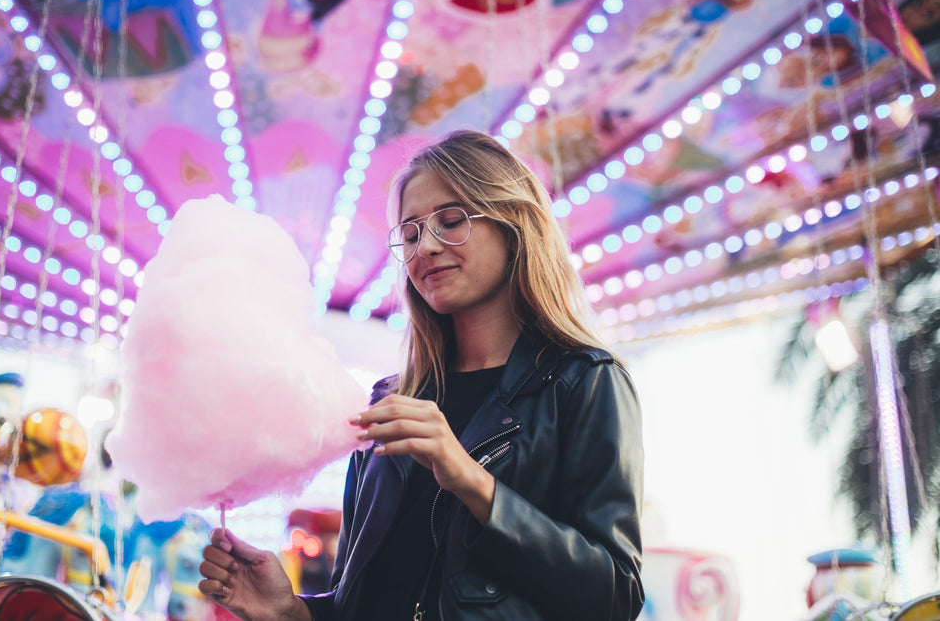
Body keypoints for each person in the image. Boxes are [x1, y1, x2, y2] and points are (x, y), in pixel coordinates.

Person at [198, 129, 644, 621]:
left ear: (514, 226)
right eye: (410, 234)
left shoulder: (584, 383)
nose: (425, 247)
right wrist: (291, 611)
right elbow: (365, 599)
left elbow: (616, 597)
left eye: (451, 222)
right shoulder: (391, 400)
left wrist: (472, 482)